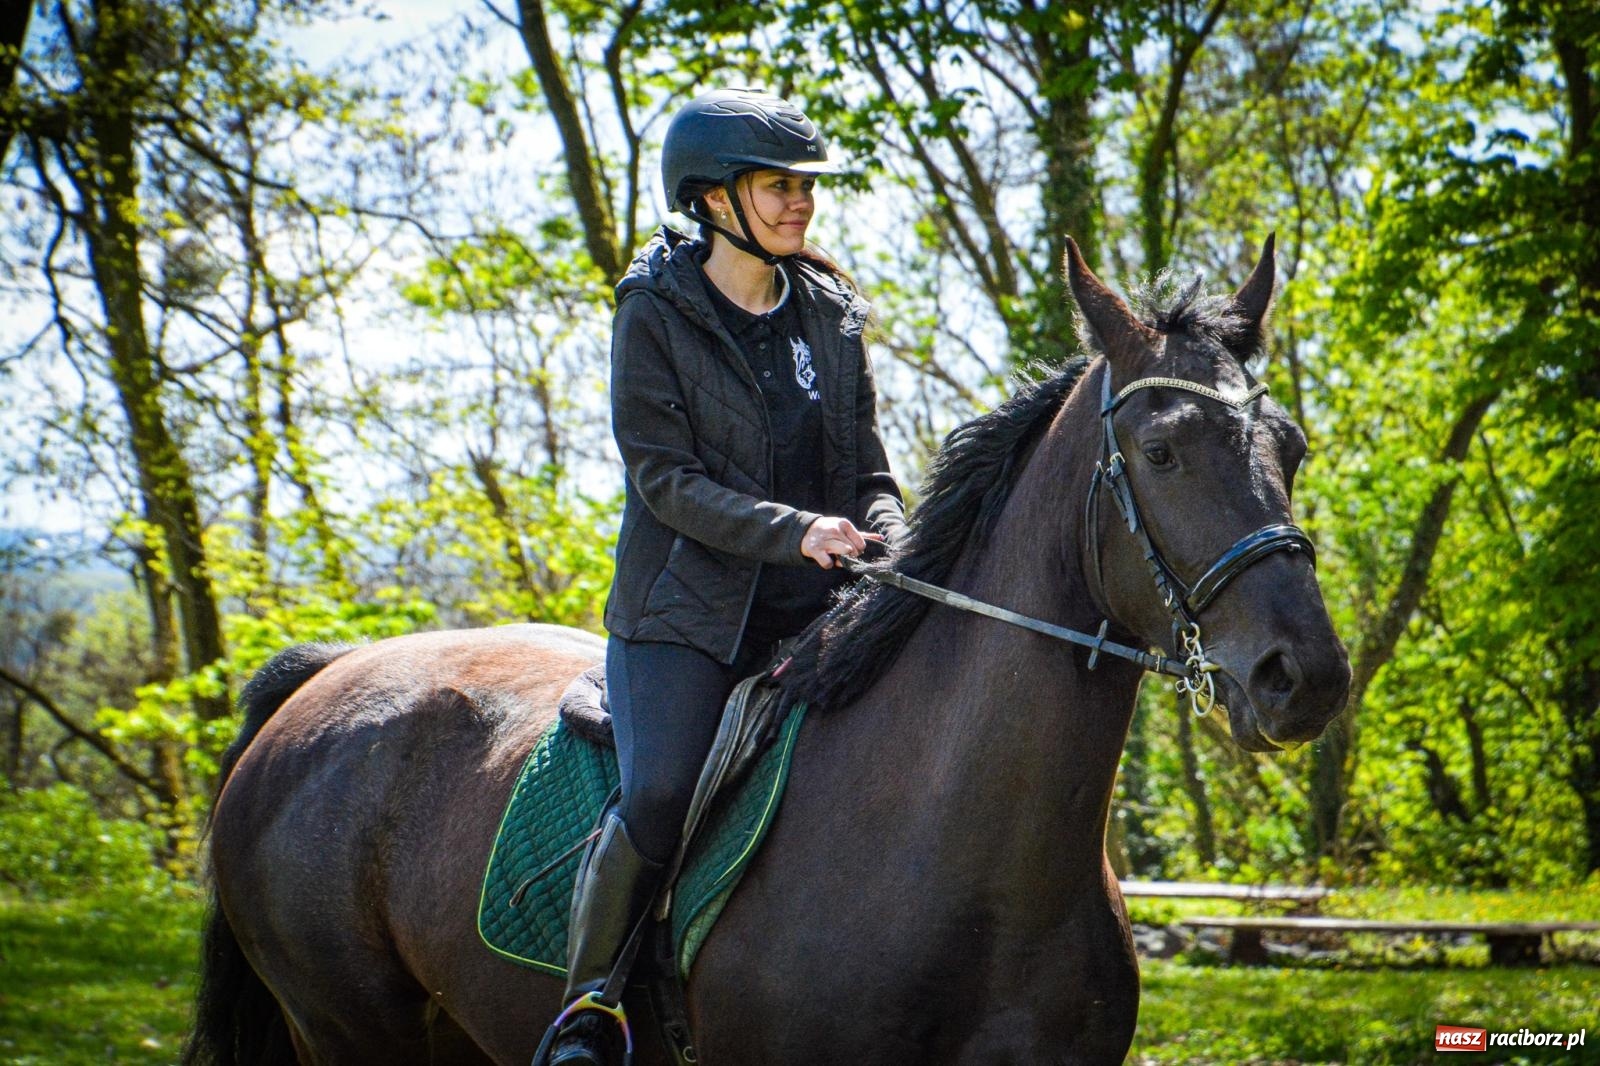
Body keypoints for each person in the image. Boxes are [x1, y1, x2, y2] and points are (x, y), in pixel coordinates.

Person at [545, 87, 909, 1064]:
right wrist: (797, 531)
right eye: (777, 185)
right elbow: (665, 482)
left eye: (806, 187)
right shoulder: (654, 311)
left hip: (820, 611)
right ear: (712, 198)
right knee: (662, 790)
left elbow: (870, 475)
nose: (800, 202)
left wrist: (889, 536)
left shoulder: (831, 317)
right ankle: (590, 1007)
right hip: (686, 619)